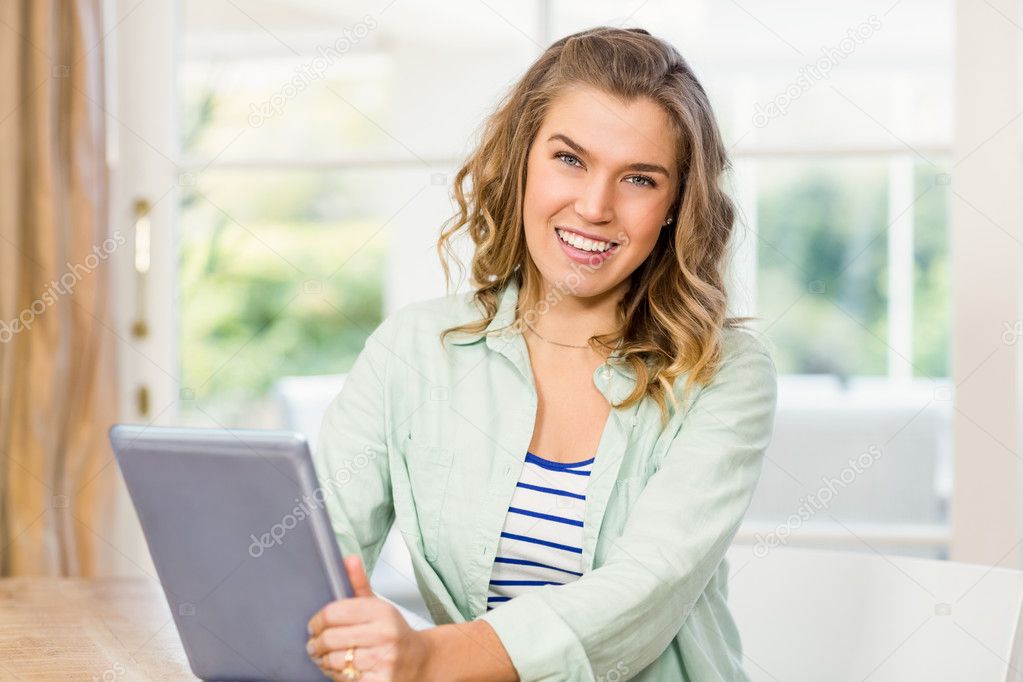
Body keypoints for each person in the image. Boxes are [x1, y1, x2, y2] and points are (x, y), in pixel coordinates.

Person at [305, 25, 778, 682]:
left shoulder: (723, 372)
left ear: (675, 206)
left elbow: (645, 589)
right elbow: (321, 561)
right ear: (522, 157)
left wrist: (425, 657)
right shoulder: (413, 351)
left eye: (639, 179)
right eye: (569, 159)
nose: (593, 206)